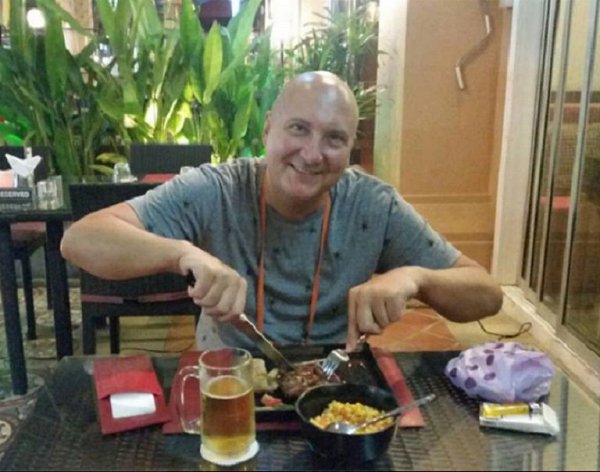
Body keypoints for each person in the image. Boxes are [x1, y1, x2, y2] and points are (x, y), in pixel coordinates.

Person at [60, 70, 503, 352]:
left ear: (351, 146)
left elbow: (487, 294)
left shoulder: (374, 204)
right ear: (269, 127)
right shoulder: (216, 189)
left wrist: (414, 277)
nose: (312, 154)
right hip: (227, 376)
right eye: (298, 129)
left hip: (334, 379)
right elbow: (80, 239)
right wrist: (183, 254)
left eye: (334, 138)